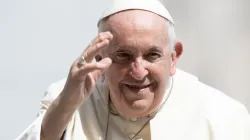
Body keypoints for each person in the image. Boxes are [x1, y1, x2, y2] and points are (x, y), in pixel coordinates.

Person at [15, 0, 250, 140]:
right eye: (123, 56)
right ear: (101, 57)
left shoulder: (223, 116)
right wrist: (66, 105)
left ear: (174, 57)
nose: (138, 72)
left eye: (152, 55)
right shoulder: (68, 99)